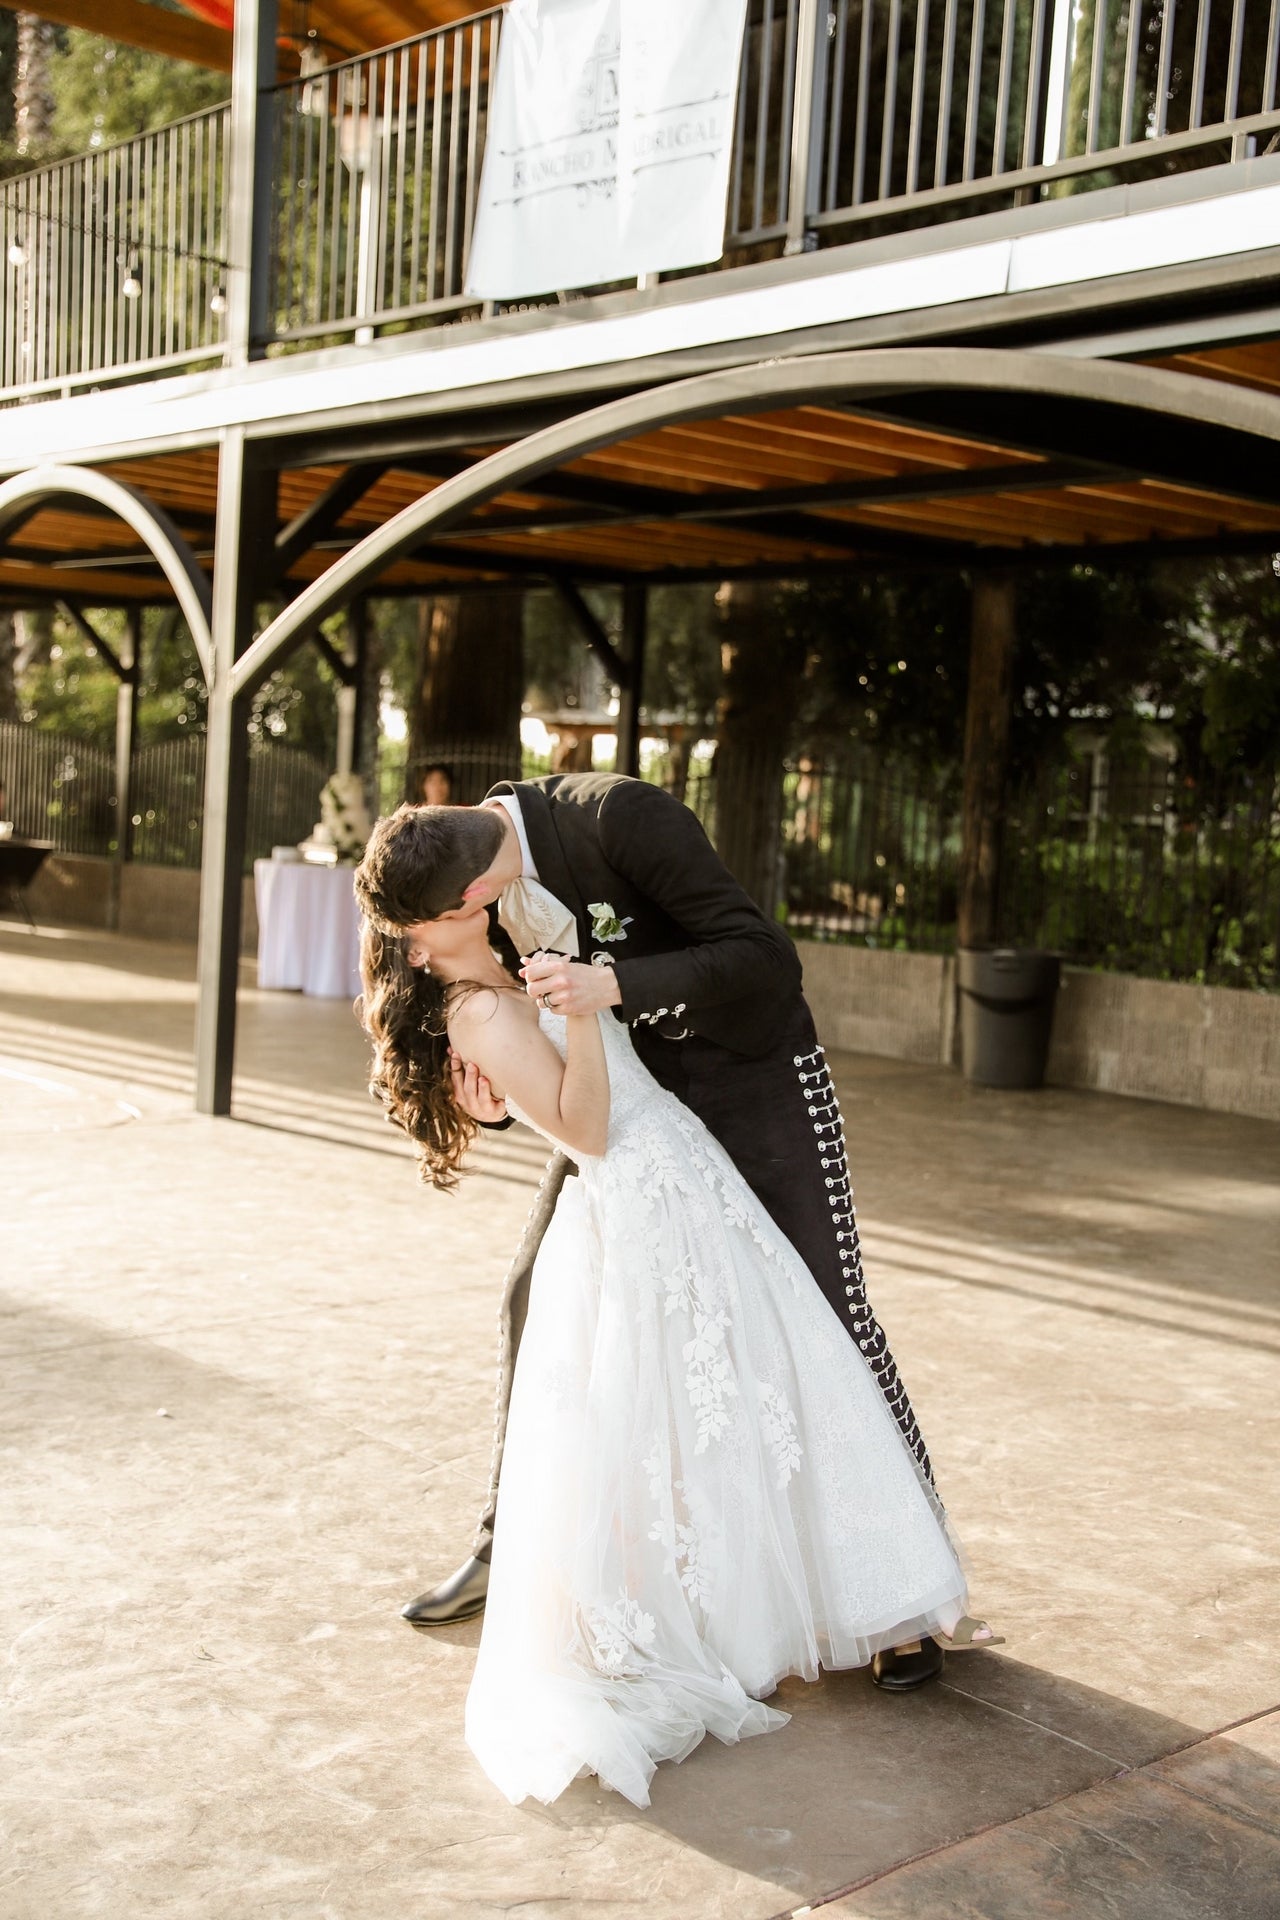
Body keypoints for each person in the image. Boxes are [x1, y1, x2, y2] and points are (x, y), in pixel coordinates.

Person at [355, 777, 999, 1704]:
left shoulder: (620, 818)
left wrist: (609, 984)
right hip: (629, 1113)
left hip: (752, 1077)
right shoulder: (458, 875)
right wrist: (487, 1103)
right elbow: (507, 1030)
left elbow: (765, 959)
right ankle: (515, 1547)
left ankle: (901, 1595)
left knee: (825, 1308)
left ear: (465, 899)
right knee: (535, 1295)